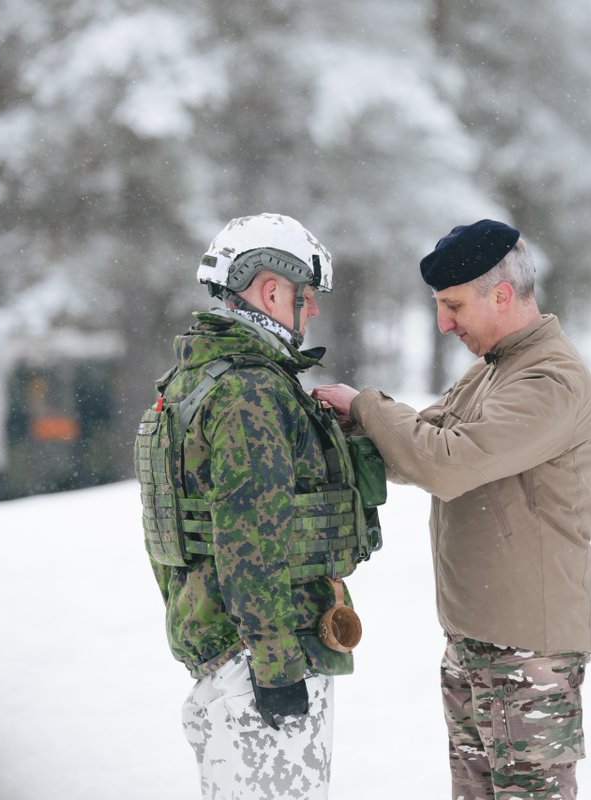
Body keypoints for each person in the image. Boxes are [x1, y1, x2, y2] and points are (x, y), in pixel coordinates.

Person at [314, 219, 591, 800]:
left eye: (453, 306)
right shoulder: (493, 372)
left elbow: (446, 463)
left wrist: (367, 406)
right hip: (477, 639)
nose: (444, 323)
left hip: (528, 650)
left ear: (502, 295)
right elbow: (417, 449)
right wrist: (349, 425)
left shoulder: (549, 380)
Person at [133, 213, 380, 799]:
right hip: (264, 659)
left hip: (229, 651)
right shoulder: (250, 390)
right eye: (306, 295)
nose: (312, 309)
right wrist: (276, 666)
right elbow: (249, 539)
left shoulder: (196, 378)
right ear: (272, 292)